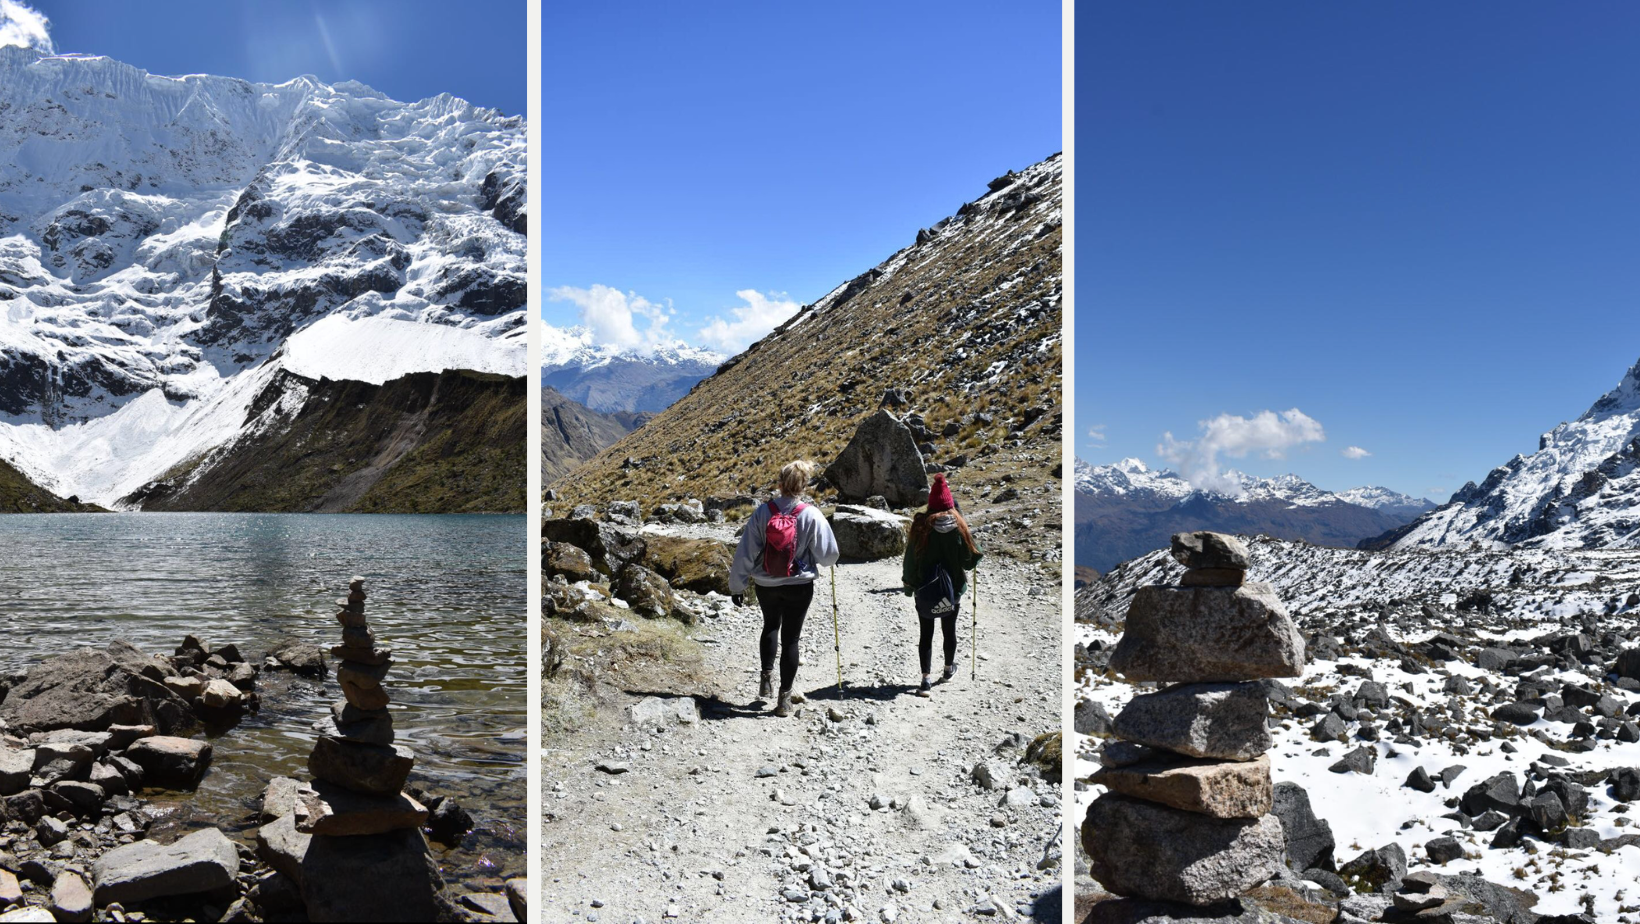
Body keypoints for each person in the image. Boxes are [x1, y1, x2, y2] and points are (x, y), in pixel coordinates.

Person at [728, 460, 841, 717]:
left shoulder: (762, 512)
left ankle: (766, 677)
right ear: (804, 485)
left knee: (770, 626)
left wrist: (738, 585)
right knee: (791, 639)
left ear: (780, 484)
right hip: (799, 585)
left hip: (766, 584)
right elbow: (828, 556)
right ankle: (784, 700)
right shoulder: (811, 514)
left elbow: (746, 552)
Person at [901, 474, 983, 695]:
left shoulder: (920, 527)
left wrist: (909, 587)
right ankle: (948, 669)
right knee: (949, 629)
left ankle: (925, 679)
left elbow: (910, 561)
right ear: (949, 504)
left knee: (925, 633)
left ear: (931, 504)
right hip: (952, 590)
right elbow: (971, 560)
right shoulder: (958, 528)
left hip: (925, 591)